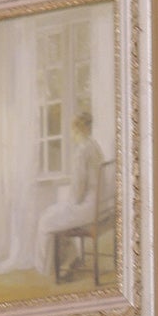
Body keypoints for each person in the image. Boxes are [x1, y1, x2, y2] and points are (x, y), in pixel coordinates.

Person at [35, 108, 108, 282]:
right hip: (99, 204)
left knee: (46, 220)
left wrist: (70, 203)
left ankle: (48, 268)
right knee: (54, 214)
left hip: (87, 208)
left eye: (72, 129)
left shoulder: (81, 151)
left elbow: (78, 189)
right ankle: (70, 259)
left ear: (77, 129)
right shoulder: (94, 146)